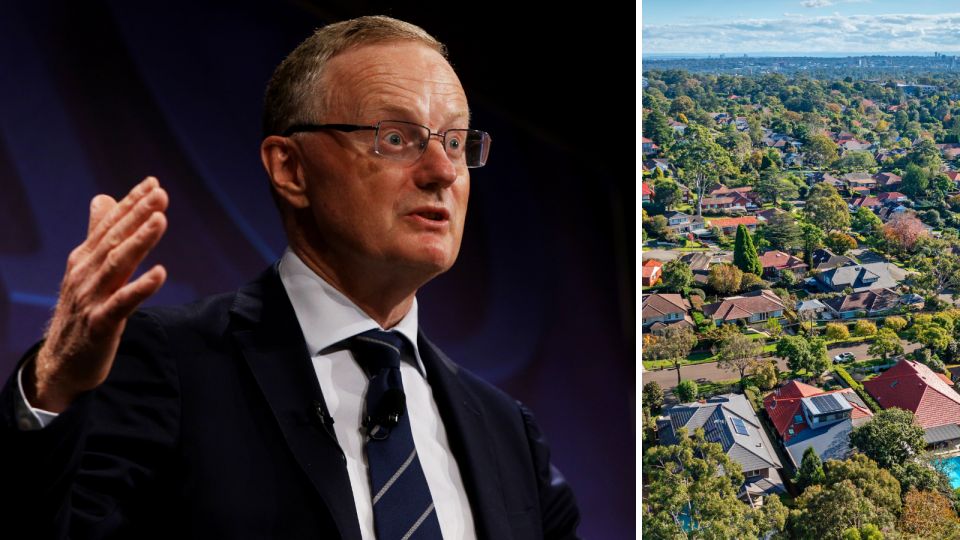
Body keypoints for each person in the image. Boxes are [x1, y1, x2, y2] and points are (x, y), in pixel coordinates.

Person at [1, 15, 581, 540]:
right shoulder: (167, 362)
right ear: (291, 168)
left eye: (456, 142)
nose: (441, 171)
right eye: (397, 138)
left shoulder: (508, 431)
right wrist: (52, 386)